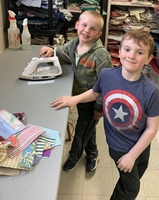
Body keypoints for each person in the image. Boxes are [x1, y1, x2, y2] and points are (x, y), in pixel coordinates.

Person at [51, 30, 159, 200]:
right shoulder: (107, 75)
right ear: (119, 51)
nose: (131, 55)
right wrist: (75, 99)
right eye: (127, 49)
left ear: (148, 59)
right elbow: (95, 93)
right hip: (119, 146)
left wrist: (133, 155)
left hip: (141, 144)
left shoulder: (151, 91)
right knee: (131, 188)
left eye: (139, 52)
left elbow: (152, 128)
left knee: (136, 174)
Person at [40, 10, 113, 173]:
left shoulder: (101, 55)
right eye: (84, 25)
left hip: (93, 101)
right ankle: (93, 153)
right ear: (77, 25)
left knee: (82, 130)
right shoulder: (75, 44)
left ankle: (74, 156)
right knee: (88, 128)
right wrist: (52, 49)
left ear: (99, 34)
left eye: (93, 29)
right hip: (79, 96)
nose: (87, 30)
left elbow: (108, 86)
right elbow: (62, 52)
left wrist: (99, 109)